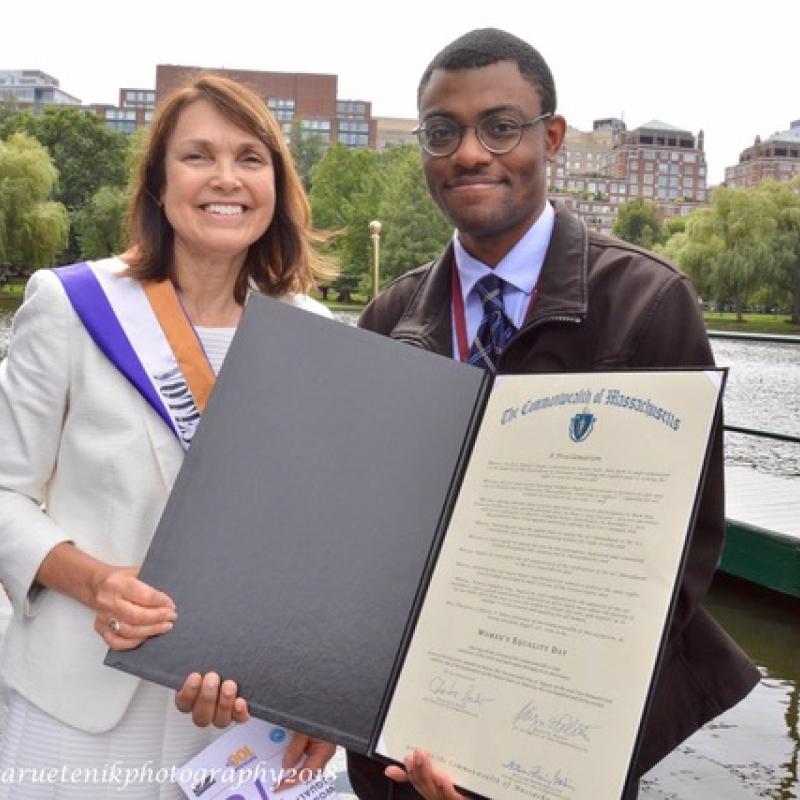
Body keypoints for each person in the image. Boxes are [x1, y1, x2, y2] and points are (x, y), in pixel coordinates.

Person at [349, 28, 760, 800]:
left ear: (554, 137)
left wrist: (523, 748)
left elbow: (678, 558)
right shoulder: (388, 318)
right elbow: (357, 544)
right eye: (443, 132)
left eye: (501, 126)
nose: (470, 152)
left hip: (554, 756)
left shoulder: (648, 303)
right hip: (398, 748)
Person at [0, 75, 335, 797]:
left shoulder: (313, 334)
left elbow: (319, 544)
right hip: (78, 706)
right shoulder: (71, 304)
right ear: (157, 183)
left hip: (238, 715)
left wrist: (316, 695)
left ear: (276, 184)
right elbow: (3, 494)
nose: (226, 179)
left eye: (251, 158)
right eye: (198, 157)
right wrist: (97, 583)